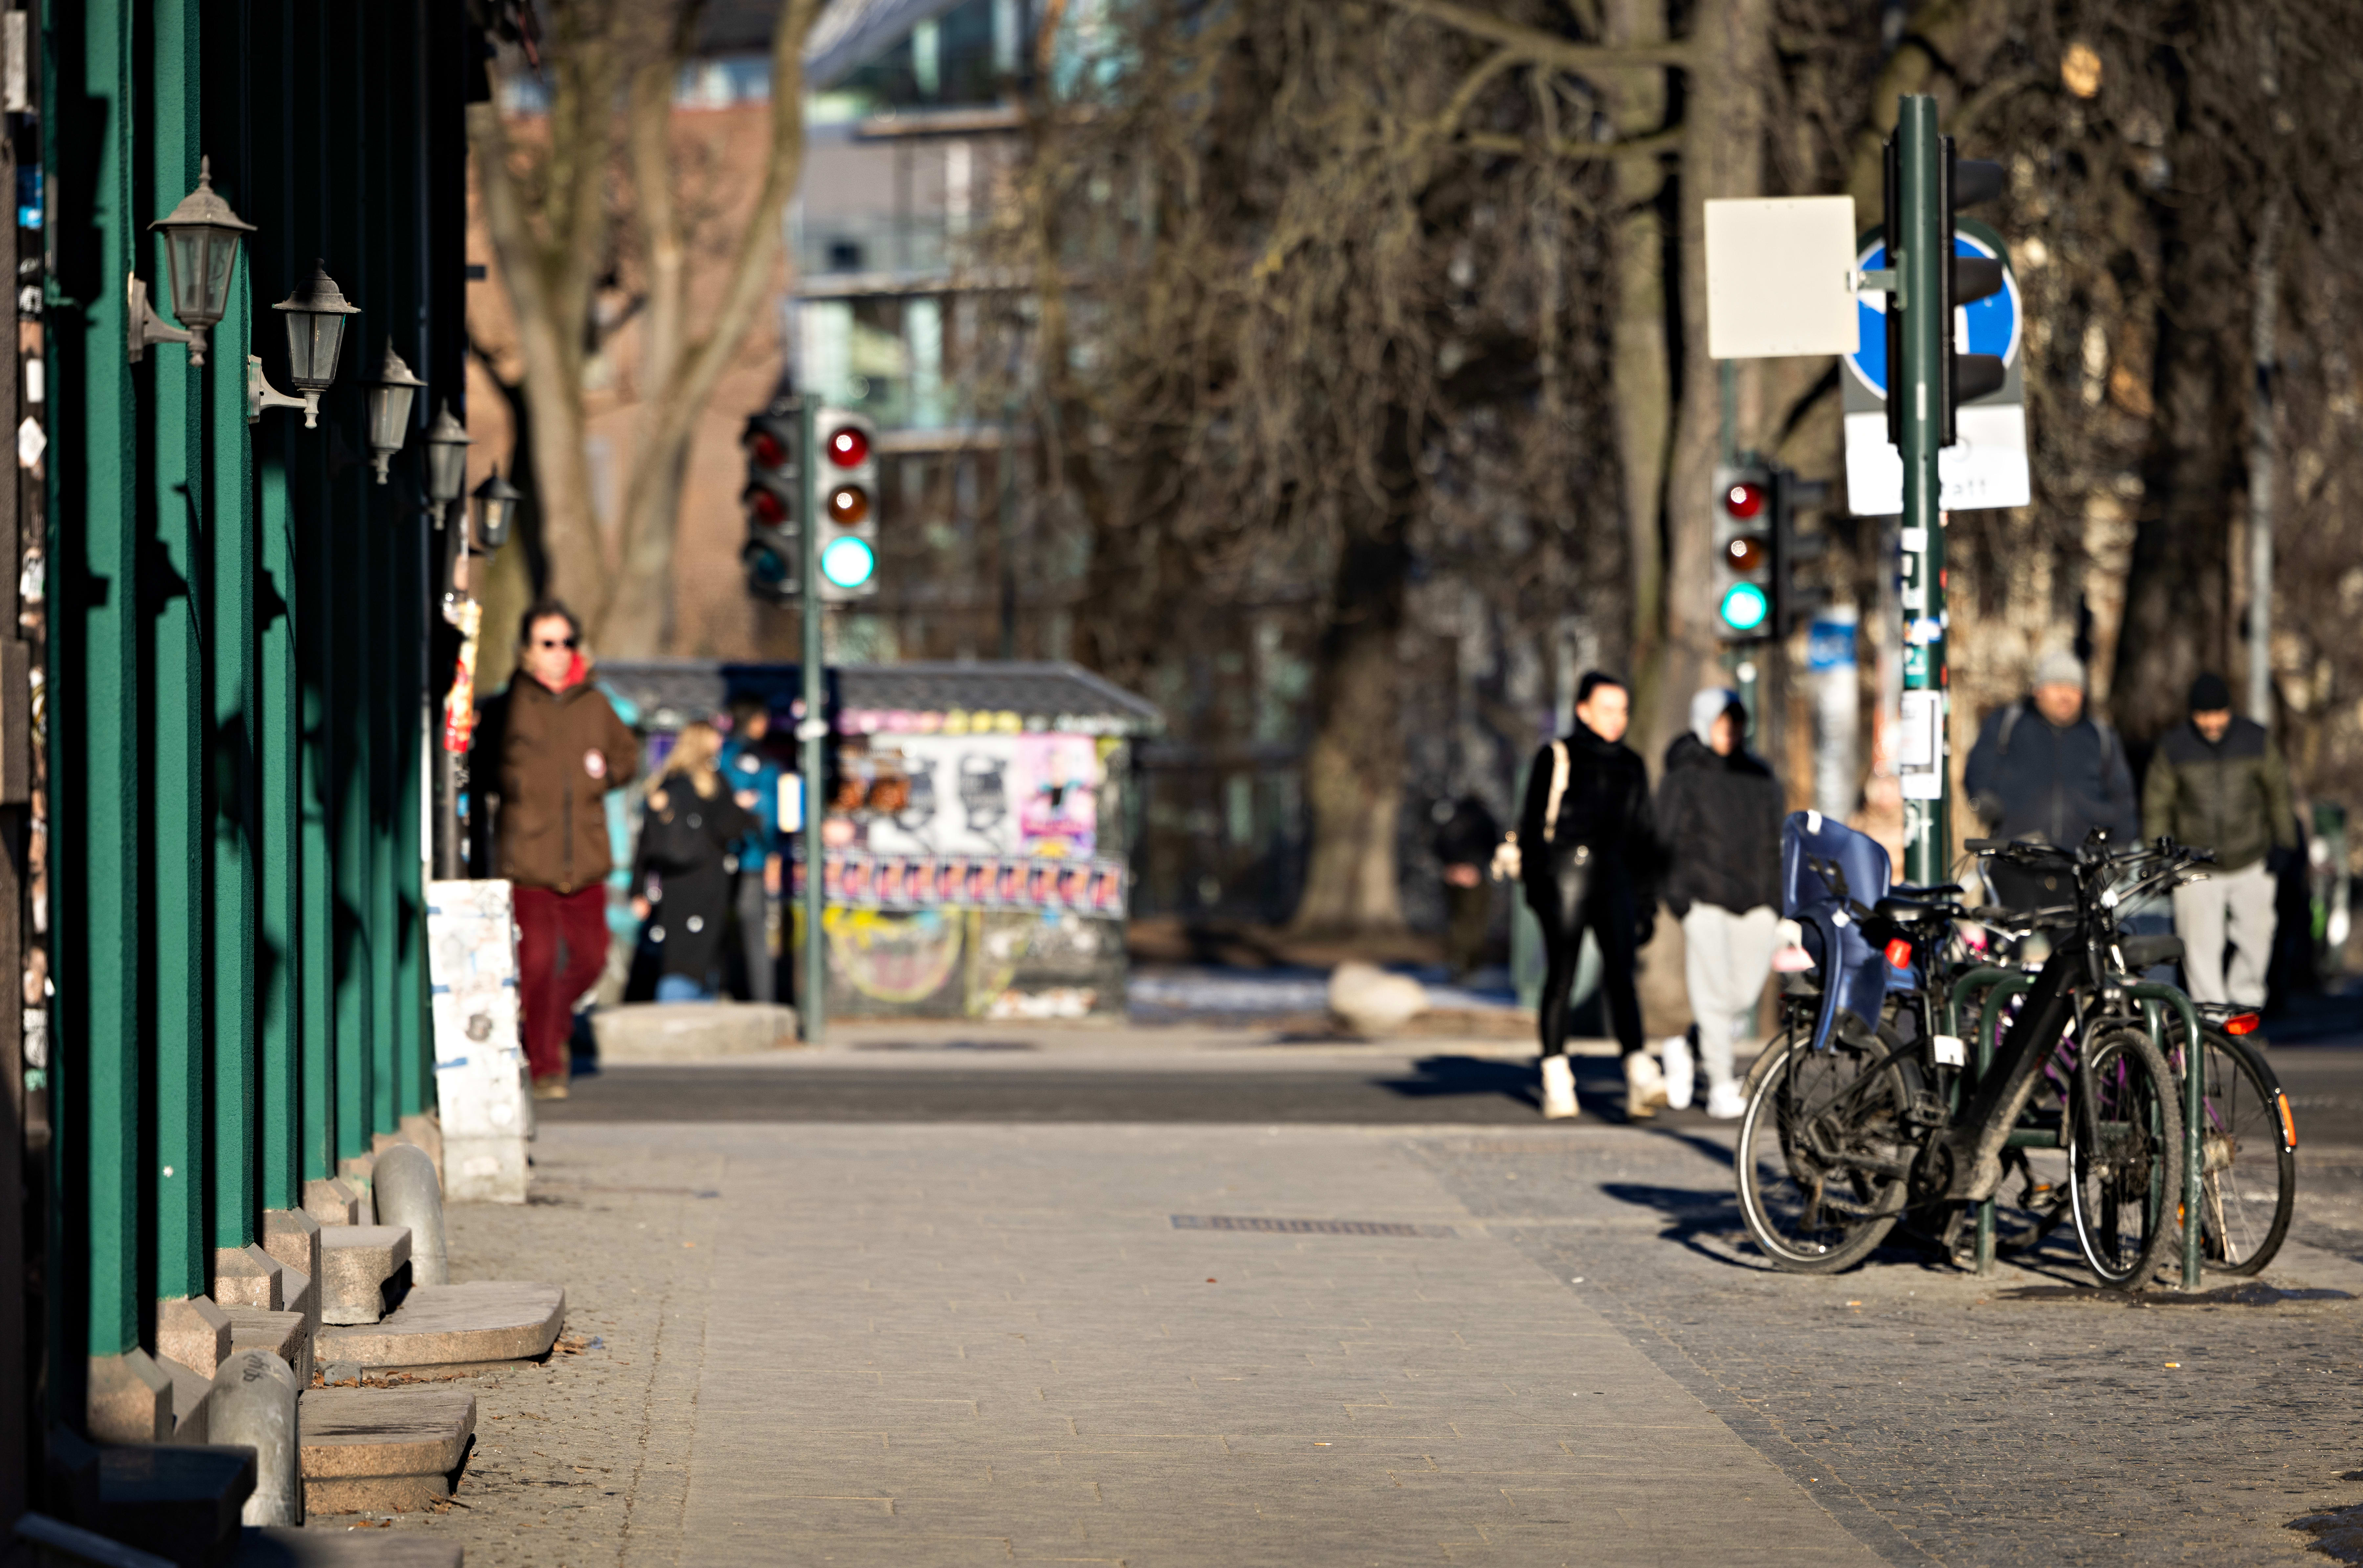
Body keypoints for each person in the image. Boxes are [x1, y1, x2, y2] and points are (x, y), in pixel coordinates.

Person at [472, 600, 640, 1100]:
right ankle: (548, 1066)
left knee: (592, 959)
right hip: (529, 859)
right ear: (528, 651)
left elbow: (627, 756)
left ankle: (550, 1025)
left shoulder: (595, 703)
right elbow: (480, 771)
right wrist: (514, 787)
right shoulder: (507, 707)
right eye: (549, 643)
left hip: (585, 857)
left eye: (567, 642)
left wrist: (605, 777)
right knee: (540, 964)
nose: (560, 653)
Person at [1516, 671, 1661, 1122]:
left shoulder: (1632, 764)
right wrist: (1539, 884)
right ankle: (1557, 1075)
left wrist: (1646, 899)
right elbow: (1532, 824)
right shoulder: (1557, 755)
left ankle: (1638, 1071)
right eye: (1607, 709)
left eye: (1622, 710)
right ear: (1583, 710)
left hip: (1614, 872)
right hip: (1565, 873)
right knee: (1563, 975)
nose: (1617, 719)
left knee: (1622, 974)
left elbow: (1643, 835)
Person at [1653, 688, 1784, 1119]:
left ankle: (1683, 1046)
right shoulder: (1684, 775)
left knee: (1741, 997)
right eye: (1721, 721)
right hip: (1703, 897)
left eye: (1736, 722)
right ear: (1702, 722)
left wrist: (1775, 900)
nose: (1729, 731)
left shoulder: (1760, 776)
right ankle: (1722, 1084)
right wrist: (1680, 899)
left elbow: (1772, 841)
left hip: (1756, 902)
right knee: (1712, 998)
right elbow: (1664, 838)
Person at [2143, 672, 2296, 1008]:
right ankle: (2211, 1016)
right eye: (2203, 715)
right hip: (2195, 864)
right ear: (2191, 713)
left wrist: (2284, 844)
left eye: (2218, 714)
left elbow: (2278, 796)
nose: (2211, 723)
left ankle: (2244, 1006)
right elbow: (2157, 806)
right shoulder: (2174, 746)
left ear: (2229, 710)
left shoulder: (2254, 740)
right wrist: (2162, 857)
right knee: (2199, 944)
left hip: (2251, 858)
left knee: (2257, 938)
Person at [1963, 648, 2137, 909]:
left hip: (2078, 869)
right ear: (2039, 690)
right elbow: (1978, 771)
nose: (2065, 696)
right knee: (2008, 946)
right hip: (2014, 862)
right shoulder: (2008, 725)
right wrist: (1984, 801)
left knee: (2077, 948)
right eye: (2057, 686)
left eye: (2074, 688)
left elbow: (2122, 797)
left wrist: (2123, 847)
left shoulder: (2100, 737)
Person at [630, 723, 757, 1003]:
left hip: (674, 882)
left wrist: (638, 889)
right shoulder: (711, 783)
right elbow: (730, 829)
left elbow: (646, 843)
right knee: (702, 955)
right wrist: (743, 809)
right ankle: (690, 1015)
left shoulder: (665, 783)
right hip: (708, 879)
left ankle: (676, 1016)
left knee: (678, 953)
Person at [719, 695, 785, 1002]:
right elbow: (770, 814)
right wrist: (771, 850)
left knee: (716, 932)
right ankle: (763, 1000)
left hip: (716, 858)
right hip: (752, 859)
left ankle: (719, 993)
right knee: (756, 936)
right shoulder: (764, 762)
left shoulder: (720, 757)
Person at [1430, 795, 1501, 982]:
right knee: (1473, 924)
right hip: (1474, 877)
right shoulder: (1484, 820)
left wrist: (1451, 866)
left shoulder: (1451, 818)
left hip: (1455, 876)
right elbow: (1493, 845)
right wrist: (1473, 868)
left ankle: (1460, 963)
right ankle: (1466, 964)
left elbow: (1437, 842)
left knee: (1458, 921)